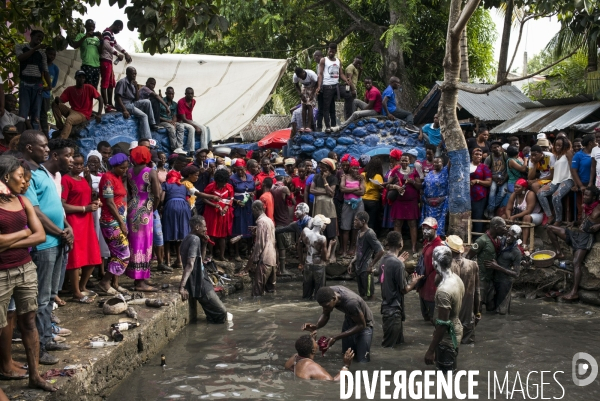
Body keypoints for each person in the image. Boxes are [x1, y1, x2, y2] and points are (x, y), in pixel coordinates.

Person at [0, 155, 57, 391]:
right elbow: (30, 233)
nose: (24, 180)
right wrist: (24, 235)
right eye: (20, 176)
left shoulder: (22, 201)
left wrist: (8, 240)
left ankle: (35, 375)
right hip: (1, 274)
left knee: (29, 321)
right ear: (5, 177)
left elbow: (40, 235)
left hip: (25, 269)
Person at [19, 133, 74, 364]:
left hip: (58, 240)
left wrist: (67, 226)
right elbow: (36, 212)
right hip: (45, 245)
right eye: (43, 146)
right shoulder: (28, 175)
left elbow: (56, 206)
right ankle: (39, 347)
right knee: (41, 299)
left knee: (50, 296)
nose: (46, 149)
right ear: (30, 148)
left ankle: (48, 336)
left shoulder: (44, 172)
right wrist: (59, 231)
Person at [547, 187, 600, 301]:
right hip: (576, 234)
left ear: (594, 197)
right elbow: (584, 220)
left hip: (586, 237)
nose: (584, 197)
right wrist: (574, 222)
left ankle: (574, 292)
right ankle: (559, 253)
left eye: (587, 195)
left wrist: (598, 226)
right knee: (550, 228)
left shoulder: (598, 207)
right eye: (584, 195)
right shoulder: (586, 206)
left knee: (576, 262)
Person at [61, 153, 101, 302]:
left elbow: (86, 198)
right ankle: (76, 291)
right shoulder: (66, 179)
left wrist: (95, 203)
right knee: (75, 258)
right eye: (75, 164)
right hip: (74, 221)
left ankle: (83, 286)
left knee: (92, 254)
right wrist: (84, 208)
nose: (78, 167)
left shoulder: (84, 179)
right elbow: (62, 204)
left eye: (80, 164)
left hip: (87, 221)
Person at [371, 231, 418, 347]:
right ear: (401, 244)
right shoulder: (398, 264)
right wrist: (414, 282)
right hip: (394, 311)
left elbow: (388, 277)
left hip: (387, 308)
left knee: (395, 345)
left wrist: (399, 262)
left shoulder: (384, 259)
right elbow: (404, 289)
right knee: (389, 347)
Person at [303, 286, 374, 363]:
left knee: (362, 361)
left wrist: (335, 337)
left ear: (334, 299)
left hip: (364, 325)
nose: (325, 309)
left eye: (326, 306)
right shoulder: (328, 294)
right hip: (349, 320)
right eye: (322, 307)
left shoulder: (351, 302)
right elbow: (325, 314)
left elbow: (361, 325)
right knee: (346, 356)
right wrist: (316, 326)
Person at [179, 215, 228, 323]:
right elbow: (190, 264)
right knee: (222, 311)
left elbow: (199, 260)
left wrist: (205, 244)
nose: (206, 229)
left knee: (215, 310)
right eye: (204, 226)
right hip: (198, 282)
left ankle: (211, 322)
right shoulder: (195, 239)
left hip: (202, 278)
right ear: (197, 227)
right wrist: (182, 287)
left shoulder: (188, 238)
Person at [423, 246, 465, 373]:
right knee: (451, 371)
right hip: (456, 329)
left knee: (445, 377)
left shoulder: (443, 292)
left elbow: (442, 325)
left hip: (446, 338)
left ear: (435, 264)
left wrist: (430, 351)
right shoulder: (456, 278)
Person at [127, 146, 160, 291]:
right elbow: (157, 194)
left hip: (132, 206)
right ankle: (140, 282)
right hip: (145, 208)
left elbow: (129, 191)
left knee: (135, 243)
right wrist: (153, 208)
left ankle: (140, 277)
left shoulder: (128, 171)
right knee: (145, 243)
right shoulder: (150, 172)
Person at [96, 153, 130, 296]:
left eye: (126, 167)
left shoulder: (118, 177)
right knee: (123, 254)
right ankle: (105, 282)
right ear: (114, 166)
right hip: (111, 222)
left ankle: (115, 283)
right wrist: (121, 223)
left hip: (118, 220)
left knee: (115, 254)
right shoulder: (107, 178)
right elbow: (109, 202)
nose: (125, 170)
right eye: (122, 168)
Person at [466, 216, 507, 312]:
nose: (505, 229)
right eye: (503, 227)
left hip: (491, 278)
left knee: (491, 307)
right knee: (477, 308)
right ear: (496, 227)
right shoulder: (482, 241)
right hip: (481, 278)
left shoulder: (499, 240)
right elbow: (468, 258)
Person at [52, 70, 103, 139]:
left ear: (84, 79)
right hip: (72, 111)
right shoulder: (70, 89)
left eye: (83, 78)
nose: (81, 79)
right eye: (79, 77)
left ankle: (62, 139)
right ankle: (60, 127)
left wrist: (99, 114)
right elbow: (61, 101)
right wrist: (58, 99)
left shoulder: (89, 87)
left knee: (69, 119)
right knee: (55, 104)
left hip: (83, 114)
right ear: (75, 78)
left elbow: (100, 99)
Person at [16, 30, 52, 129]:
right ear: (31, 36)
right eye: (38, 36)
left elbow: (45, 70)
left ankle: (34, 137)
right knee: (23, 113)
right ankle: (20, 137)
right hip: (25, 83)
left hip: (37, 85)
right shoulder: (21, 47)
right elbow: (20, 58)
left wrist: (49, 85)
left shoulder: (42, 54)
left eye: (41, 38)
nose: (39, 39)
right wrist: (35, 49)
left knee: (36, 114)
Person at [447, 235, 480, 344]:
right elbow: (477, 292)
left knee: (452, 347)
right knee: (469, 348)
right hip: (468, 318)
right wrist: (477, 312)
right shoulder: (473, 264)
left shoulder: (446, 267)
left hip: (451, 318)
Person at [537, 137, 573, 226]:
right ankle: (550, 216)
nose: (557, 147)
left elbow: (572, 167)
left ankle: (558, 219)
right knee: (540, 193)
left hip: (567, 179)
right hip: (556, 181)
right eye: (556, 145)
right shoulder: (556, 155)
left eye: (560, 145)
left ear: (565, 145)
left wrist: (575, 183)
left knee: (555, 196)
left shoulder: (568, 153)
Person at [485, 225, 522, 315]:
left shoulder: (516, 252)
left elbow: (516, 274)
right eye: (509, 234)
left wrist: (498, 267)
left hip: (505, 282)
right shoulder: (501, 241)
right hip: (493, 278)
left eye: (513, 237)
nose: (509, 238)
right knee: (489, 307)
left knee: (501, 312)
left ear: (517, 238)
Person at [389, 155, 422, 254]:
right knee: (398, 223)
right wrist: (395, 186)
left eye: (406, 160)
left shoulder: (414, 171)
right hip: (399, 202)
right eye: (402, 160)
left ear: (409, 161)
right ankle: (397, 247)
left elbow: (419, 186)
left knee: (412, 224)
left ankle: (413, 246)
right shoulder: (395, 171)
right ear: (399, 161)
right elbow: (387, 185)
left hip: (411, 202)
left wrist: (412, 182)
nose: (403, 162)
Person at [315, 43, 351, 133]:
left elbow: (341, 74)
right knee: (326, 107)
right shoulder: (323, 60)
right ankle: (328, 127)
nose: (330, 52)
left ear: (335, 51)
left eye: (332, 51)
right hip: (327, 86)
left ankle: (348, 118)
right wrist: (319, 86)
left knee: (349, 95)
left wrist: (346, 80)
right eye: (329, 50)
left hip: (337, 86)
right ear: (328, 50)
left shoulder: (338, 61)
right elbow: (320, 74)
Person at [285, 334, 354, 380]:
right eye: (315, 342)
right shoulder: (311, 366)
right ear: (313, 351)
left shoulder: (293, 359)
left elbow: (303, 347)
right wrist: (346, 365)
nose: (317, 342)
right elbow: (333, 382)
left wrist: (310, 341)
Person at [300, 214, 337, 299]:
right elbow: (325, 258)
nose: (325, 226)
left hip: (308, 264)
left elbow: (299, 246)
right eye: (324, 224)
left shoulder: (305, 231)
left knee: (306, 294)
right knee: (320, 295)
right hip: (318, 266)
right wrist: (330, 245)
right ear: (321, 225)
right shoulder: (322, 238)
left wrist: (301, 262)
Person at [349, 212, 384, 300]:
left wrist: (371, 265)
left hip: (366, 269)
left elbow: (381, 251)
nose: (354, 222)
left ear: (363, 221)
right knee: (362, 295)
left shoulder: (369, 233)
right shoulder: (359, 232)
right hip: (359, 267)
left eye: (356, 220)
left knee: (370, 296)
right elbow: (359, 250)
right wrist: (352, 262)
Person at [161, 169, 192, 267]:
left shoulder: (166, 185)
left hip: (170, 206)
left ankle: (168, 262)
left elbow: (161, 198)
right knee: (180, 234)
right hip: (184, 207)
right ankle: (179, 261)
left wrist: (161, 207)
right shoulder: (183, 187)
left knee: (167, 233)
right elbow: (188, 201)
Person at [115, 66, 157, 139]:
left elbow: (137, 99)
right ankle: (147, 139)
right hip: (125, 105)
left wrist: (136, 87)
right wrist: (124, 110)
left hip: (131, 103)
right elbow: (117, 97)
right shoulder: (122, 82)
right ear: (127, 73)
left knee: (147, 102)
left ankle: (152, 124)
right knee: (144, 116)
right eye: (132, 74)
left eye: (135, 74)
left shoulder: (132, 83)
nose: (134, 75)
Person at [246, 200, 277, 296]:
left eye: (252, 210)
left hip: (264, 259)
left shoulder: (261, 222)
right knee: (270, 291)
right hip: (272, 259)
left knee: (256, 293)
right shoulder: (269, 220)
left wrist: (255, 259)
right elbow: (271, 239)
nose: (252, 213)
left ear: (256, 209)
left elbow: (260, 243)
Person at [310, 158, 339, 262]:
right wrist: (324, 192)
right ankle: (320, 253)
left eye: (324, 167)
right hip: (318, 206)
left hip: (329, 208)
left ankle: (332, 255)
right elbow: (311, 190)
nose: (321, 169)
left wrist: (325, 180)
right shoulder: (316, 177)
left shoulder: (333, 178)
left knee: (332, 232)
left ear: (329, 168)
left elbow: (331, 193)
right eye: (320, 167)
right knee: (319, 231)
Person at [100, 20, 132, 111]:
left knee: (111, 83)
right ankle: (106, 105)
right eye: (119, 29)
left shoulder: (111, 34)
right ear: (117, 26)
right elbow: (106, 44)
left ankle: (110, 104)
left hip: (109, 60)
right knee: (105, 84)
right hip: (105, 59)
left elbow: (116, 45)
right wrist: (117, 54)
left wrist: (125, 53)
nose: (119, 32)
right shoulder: (107, 32)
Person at [202, 169, 234, 261]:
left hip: (223, 214)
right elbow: (204, 199)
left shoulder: (229, 187)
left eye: (225, 182)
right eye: (221, 183)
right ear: (217, 181)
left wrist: (225, 208)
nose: (223, 185)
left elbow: (230, 199)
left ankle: (222, 255)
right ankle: (211, 254)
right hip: (211, 213)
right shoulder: (210, 186)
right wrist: (214, 205)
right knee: (211, 233)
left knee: (223, 235)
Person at [417, 217, 444, 322]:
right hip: (424, 282)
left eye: (428, 229)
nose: (425, 231)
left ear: (435, 229)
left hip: (432, 283)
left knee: (433, 317)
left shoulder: (439, 246)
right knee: (425, 316)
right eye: (423, 228)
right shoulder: (427, 243)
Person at [503, 179, 542, 247]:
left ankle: (524, 243)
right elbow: (508, 209)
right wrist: (509, 216)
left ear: (524, 188)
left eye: (518, 187)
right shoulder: (514, 195)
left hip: (535, 215)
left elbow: (528, 211)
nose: (515, 189)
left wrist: (514, 217)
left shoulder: (530, 194)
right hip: (520, 216)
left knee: (526, 217)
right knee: (504, 217)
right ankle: (505, 240)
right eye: (515, 187)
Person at [229, 159, 255, 260]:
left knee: (250, 227)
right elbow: (229, 194)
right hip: (239, 206)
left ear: (245, 169)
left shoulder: (250, 177)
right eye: (238, 170)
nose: (240, 172)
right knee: (238, 227)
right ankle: (237, 253)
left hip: (249, 205)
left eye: (242, 169)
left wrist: (252, 194)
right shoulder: (232, 179)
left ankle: (249, 252)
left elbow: (253, 189)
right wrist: (236, 201)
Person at [340, 158, 365, 256]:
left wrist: (348, 189)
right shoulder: (344, 177)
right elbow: (342, 189)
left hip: (358, 204)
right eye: (353, 168)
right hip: (347, 204)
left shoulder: (361, 178)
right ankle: (344, 250)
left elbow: (362, 192)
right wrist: (355, 188)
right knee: (345, 227)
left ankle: (353, 248)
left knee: (356, 227)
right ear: (350, 168)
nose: (355, 170)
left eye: (357, 168)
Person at [160, 87, 195, 153]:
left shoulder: (174, 104)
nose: (171, 95)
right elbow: (157, 116)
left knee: (181, 126)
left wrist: (173, 121)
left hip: (170, 121)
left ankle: (179, 148)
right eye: (169, 94)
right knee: (171, 128)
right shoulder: (161, 102)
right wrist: (169, 122)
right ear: (166, 93)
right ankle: (174, 149)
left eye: (172, 94)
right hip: (162, 121)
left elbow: (175, 115)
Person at [421, 156, 449, 236]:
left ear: (442, 163)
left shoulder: (445, 171)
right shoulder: (430, 173)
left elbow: (450, 161)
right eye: (434, 162)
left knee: (439, 223)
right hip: (428, 204)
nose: (436, 164)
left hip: (440, 204)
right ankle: (428, 239)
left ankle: (437, 239)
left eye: (438, 162)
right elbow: (424, 185)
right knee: (429, 223)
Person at [272, 177, 294, 275]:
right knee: (282, 247)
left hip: (275, 219)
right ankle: (282, 269)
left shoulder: (272, 188)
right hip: (283, 220)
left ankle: (277, 268)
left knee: (276, 246)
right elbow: (293, 202)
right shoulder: (284, 188)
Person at [71, 20, 103, 88]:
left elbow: (101, 51)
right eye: (89, 26)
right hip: (87, 65)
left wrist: (101, 39)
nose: (91, 28)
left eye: (93, 27)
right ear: (85, 26)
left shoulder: (96, 39)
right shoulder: (81, 35)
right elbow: (75, 45)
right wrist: (85, 36)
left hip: (97, 66)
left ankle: (90, 99)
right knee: (87, 88)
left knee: (94, 89)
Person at [572, 134, 596, 220]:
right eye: (595, 141)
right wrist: (580, 185)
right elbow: (574, 171)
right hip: (583, 183)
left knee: (593, 207)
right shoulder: (578, 155)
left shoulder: (596, 153)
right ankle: (580, 224)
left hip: (594, 184)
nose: (597, 143)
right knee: (581, 207)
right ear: (590, 143)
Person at [469, 148, 492, 235]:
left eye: (480, 155)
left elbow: (489, 182)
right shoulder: (467, 165)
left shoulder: (484, 167)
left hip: (479, 196)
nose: (478, 156)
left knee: (477, 216)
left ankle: (477, 236)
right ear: (472, 155)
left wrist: (477, 181)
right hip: (467, 195)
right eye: (476, 154)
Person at [484, 140, 509, 218]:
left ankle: (490, 209)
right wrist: (492, 177)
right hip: (493, 178)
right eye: (494, 148)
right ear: (491, 149)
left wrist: (503, 180)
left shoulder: (505, 156)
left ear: (501, 148)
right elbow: (485, 170)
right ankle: (491, 211)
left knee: (502, 193)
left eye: (498, 147)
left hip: (504, 177)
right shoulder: (489, 158)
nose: (496, 149)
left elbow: (509, 170)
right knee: (492, 191)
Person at [293, 67, 318, 132]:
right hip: (304, 88)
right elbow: (296, 85)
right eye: (299, 77)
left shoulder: (311, 74)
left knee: (309, 105)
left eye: (301, 76)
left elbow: (317, 83)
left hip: (313, 88)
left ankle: (308, 126)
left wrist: (313, 93)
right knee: (304, 105)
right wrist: (301, 95)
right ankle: (303, 126)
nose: (300, 78)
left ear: (303, 72)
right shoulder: (295, 76)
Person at [382, 148, 402, 230]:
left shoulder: (397, 168)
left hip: (394, 196)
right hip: (389, 193)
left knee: (395, 220)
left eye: (390, 157)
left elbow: (392, 182)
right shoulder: (392, 169)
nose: (389, 158)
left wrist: (385, 185)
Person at [361, 156, 384, 230]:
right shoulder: (378, 176)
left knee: (363, 221)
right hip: (373, 201)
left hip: (362, 200)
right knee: (371, 221)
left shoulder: (363, 174)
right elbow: (380, 188)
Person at [40, 47, 58, 136]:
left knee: (43, 114)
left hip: (46, 95)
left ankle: (45, 134)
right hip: (37, 92)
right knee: (35, 113)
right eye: (50, 54)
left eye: (54, 55)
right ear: (45, 53)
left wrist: (47, 87)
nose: (52, 56)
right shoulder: (40, 65)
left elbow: (53, 84)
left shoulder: (55, 68)